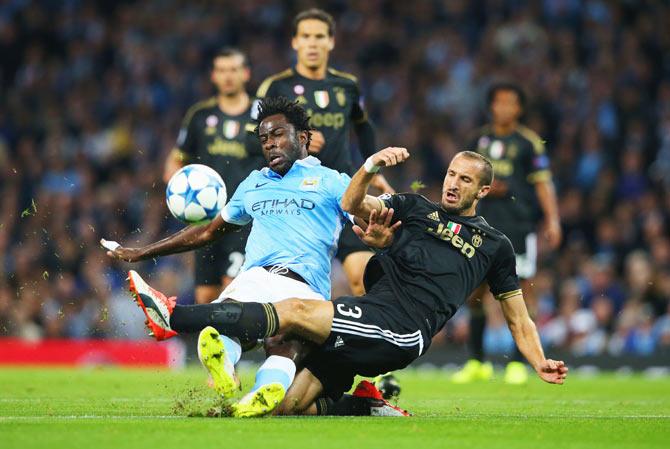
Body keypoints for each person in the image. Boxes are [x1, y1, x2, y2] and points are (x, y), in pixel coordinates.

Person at [125, 149, 568, 417]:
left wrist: (539, 361)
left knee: (294, 315)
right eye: (452, 174)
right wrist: (371, 165)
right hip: (372, 312)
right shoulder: (414, 208)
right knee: (286, 408)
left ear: (483, 191)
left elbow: (518, 319)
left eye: (465, 180)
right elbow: (353, 201)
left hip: (403, 327)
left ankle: (174, 314)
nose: (453, 184)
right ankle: (366, 403)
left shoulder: (495, 245)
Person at [104, 97, 357, 417]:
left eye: (278, 135)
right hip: (255, 276)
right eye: (264, 139)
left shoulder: (333, 181)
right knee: (223, 324)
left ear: (302, 138)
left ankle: (264, 386)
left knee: (283, 338)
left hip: (304, 285)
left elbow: (369, 220)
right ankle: (237, 374)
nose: (270, 144)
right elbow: (208, 231)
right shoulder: (255, 182)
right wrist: (144, 251)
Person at [256, 8, 393, 296]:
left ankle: (363, 340)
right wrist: (292, 145)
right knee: (293, 289)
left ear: (331, 41)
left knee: (363, 278)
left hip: (343, 193)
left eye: (319, 36)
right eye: (306, 36)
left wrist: (375, 172)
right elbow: (254, 141)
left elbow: (364, 127)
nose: (313, 43)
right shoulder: (275, 86)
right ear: (295, 42)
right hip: (296, 200)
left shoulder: (347, 86)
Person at [452, 82, 562, 385]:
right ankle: (477, 362)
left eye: (510, 103)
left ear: (519, 108)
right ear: (491, 106)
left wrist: (552, 219)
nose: (504, 108)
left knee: (522, 291)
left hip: (517, 226)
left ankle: (517, 363)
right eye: (499, 102)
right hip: (480, 226)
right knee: (474, 292)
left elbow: (542, 182)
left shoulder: (528, 143)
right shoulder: (477, 139)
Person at [164, 48, 264, 304]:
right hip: (206, 219)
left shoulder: (262, 113)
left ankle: (245, 343)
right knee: (206, 297)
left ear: (246, 74)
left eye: (233, 70)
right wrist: (177, 188)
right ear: (213, 76)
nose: (228, 76)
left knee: (232, 293)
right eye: (222, 70)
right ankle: (211, 345)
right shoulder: (200, 115)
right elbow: (177, 159)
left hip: (245, 220)